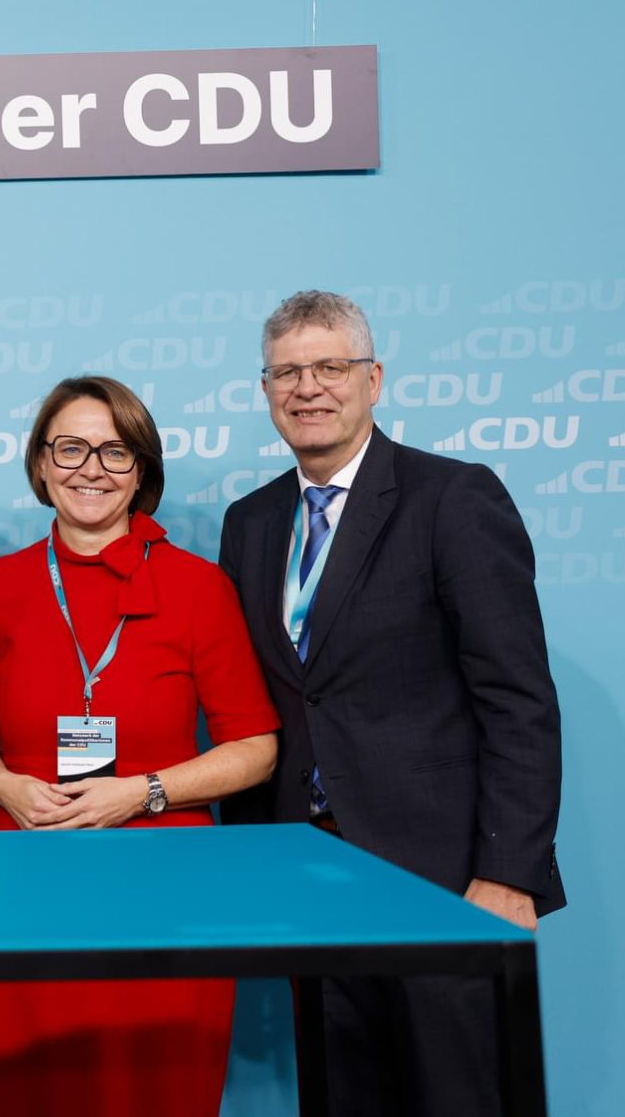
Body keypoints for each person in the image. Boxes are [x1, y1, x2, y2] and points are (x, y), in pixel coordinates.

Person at [217, 290, 564, 1117]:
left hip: (444, 882)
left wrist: (507, 875)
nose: (308, 388)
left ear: (373, 380)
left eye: (329, 367)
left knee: (461, 1097)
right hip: (309, 878)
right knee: (340, 1096)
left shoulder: (453, 497)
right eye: (287, 372)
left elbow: (518, 700)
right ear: (265, 390)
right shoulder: (250, 523)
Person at [0, 376, 279, 1116]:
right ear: (42, 465)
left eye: (115, 451)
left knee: (163, 1088)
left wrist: (143, 792)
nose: (91, 469)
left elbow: (256, 746)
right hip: (27, 872)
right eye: (71, 448)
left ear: (142, 471)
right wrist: (3, 785)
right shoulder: (1, 585)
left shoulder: (199, 586)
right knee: (39, 1089)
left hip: (167, 876)